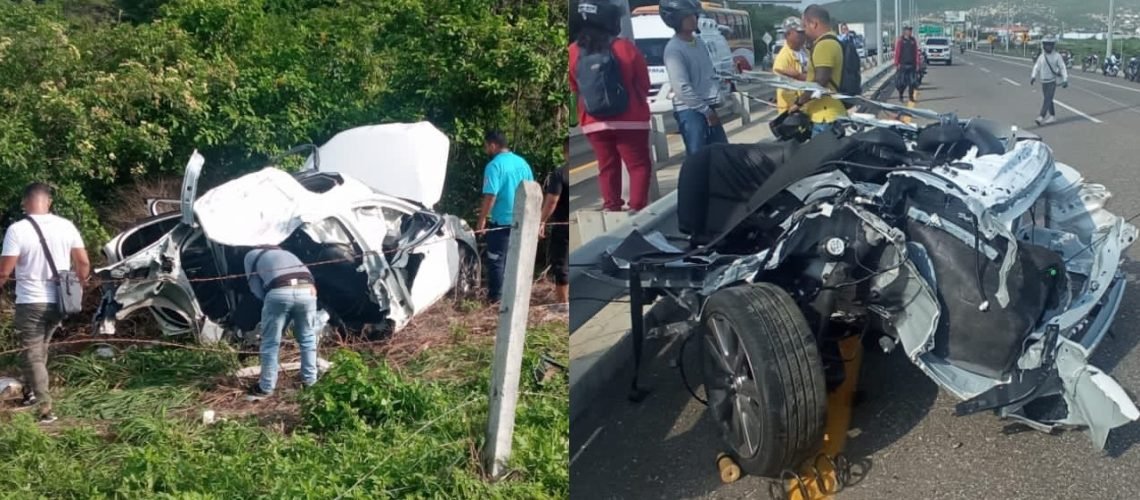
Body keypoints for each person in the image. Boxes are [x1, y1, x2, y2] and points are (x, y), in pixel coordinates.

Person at [0, 183, 90, 424]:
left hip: (31, 301)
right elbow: (83, 263)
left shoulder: (17, 230)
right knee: (39, 351)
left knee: (33, 354)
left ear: (25, 203)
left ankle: (44, 408)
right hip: (59, 301)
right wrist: (78, 286)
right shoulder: (66, 226)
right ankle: (31, 393)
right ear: (48, 202)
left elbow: (4, 271)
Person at [569, 0, 653, 213]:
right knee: (638, 166)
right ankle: (637, 209)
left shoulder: (572, 51)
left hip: (594, 123)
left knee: (607, 167)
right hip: (631, 120)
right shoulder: (625, 47)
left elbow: (574, 86)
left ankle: (611, 206)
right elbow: (644, 83)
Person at [243, 245, 320, 401]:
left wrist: (270, 307)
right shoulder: (287, 252)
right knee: (307, 338)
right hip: (308, 290)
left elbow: (254, 287)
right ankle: (310, 382)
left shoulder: (251, 255)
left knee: (271, 342)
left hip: (279, 291)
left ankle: (266, 387)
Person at [660, 0, 728, 155]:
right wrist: (706, 112)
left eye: (694, 15)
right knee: (698, 157)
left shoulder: (699, 43)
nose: (693, 19)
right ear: (676, 19)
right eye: (687, 16)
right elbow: (681, 88)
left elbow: (707, 74)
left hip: (708, 106)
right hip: (691, 111)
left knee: (722, 153)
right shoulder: (674, 49)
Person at [476, 130, 535, 303]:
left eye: (486, 146)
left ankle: (496, 299)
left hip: (501, 223)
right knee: (517, 260)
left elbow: (490, 196)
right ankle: (517, 296)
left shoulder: (494, 166)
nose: (486, 150)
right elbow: (532, 189)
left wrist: (481, 219)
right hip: (523, 220)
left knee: (496, 260)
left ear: (493, 145)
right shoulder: (522, 163)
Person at [790, 4, 847, 136]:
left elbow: (820, 81)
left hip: (824, 117)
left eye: (805, 26)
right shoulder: (833, 41)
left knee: (821, 156)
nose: (804, 31)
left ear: (814, 24)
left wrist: (798, 103)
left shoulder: (824, 45)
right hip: (829, 113)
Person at [539, 143, 570, 306]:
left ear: (565, 153)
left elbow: (552, 201)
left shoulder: (560, 173)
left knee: (561, 264)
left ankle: (563, 304)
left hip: (563, 225)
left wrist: (541, 220)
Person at [772, 16, 809, 114]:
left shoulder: (806, 52)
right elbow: (786, 88)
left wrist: (799, 76)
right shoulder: (783, 58)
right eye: (799, 33)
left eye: (803, 32)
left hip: (807, 106)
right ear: (788, 34)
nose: (803, 36)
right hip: (792, 110)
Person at [1030, 36, 1069, 126]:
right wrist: (1033, 76)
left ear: (1053, 45)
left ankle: (1041, 116)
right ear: (1044, 45)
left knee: (1048, 98)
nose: (1048, 47)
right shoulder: (1042, 56)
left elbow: (1062, 67)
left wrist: (1065, 79)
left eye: (1050, 45)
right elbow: (1037, 67)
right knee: (1048, 99)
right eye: (1046, 45)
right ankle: (1052, 116)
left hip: (1052, 81)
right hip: (1044, 81)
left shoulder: (1057, 56)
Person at [893, 26, 922, 103]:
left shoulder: (913, 40)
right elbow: (897, 52)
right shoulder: (901, 41)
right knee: (902, 83)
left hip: (912, 65)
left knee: (912, 82)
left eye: (910, 30)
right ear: (905, 31)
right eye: (908, 30)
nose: (909, 32)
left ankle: (911, 97)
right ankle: (901, 95)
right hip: (902, 65)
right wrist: (897, 63)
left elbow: (916, 53)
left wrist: (917, 63)